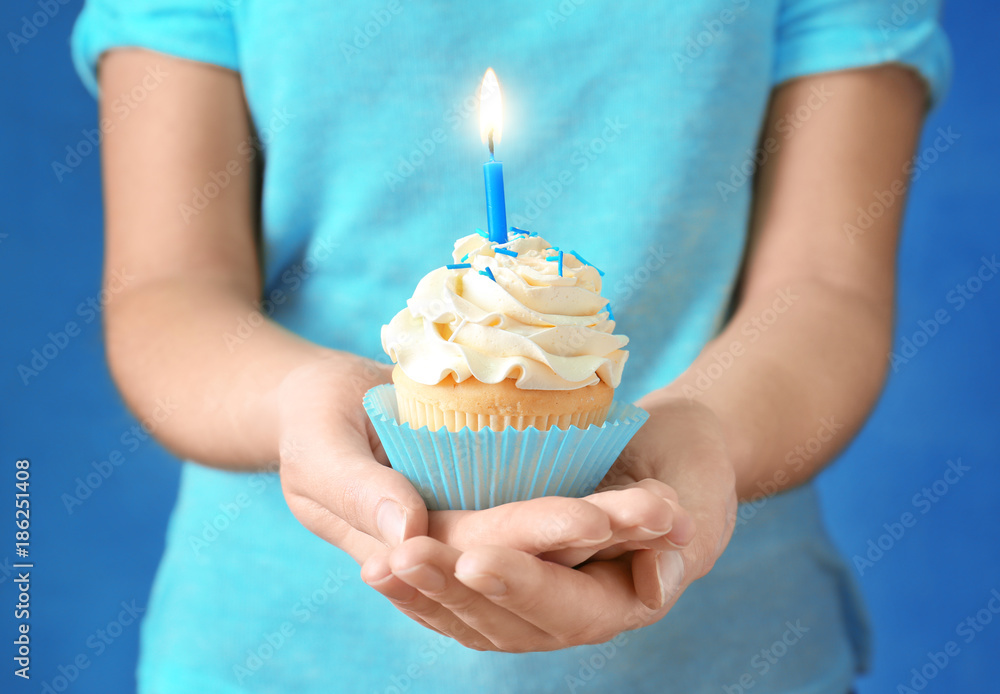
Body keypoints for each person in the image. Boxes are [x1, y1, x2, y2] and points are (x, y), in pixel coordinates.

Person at [71, 0, 950, 691]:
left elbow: (826, 288)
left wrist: (704, 437)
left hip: (730, 653)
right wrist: (299, 403)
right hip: (265, 652)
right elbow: (164, 290)